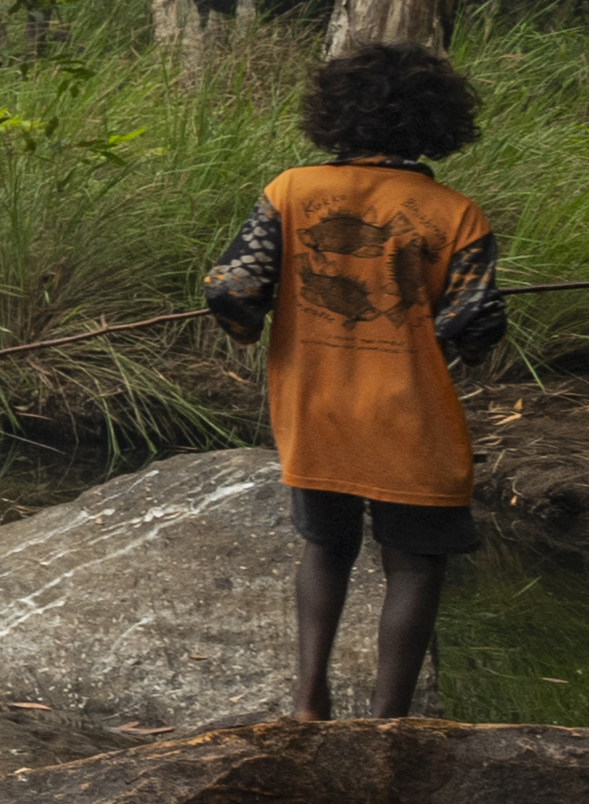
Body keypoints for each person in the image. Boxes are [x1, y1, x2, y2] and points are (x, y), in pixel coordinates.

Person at [202, 41, 505, 721]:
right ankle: (389, 722)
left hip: (315, 410)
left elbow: (232, 288)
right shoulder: (456, 214)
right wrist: (468, 342)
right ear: (437, 122)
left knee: (326, 546)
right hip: (409, 420)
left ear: (334, 115)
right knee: (415, 565)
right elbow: (474, 322)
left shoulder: (290, 192)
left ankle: (309, 701)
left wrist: (251, 330)